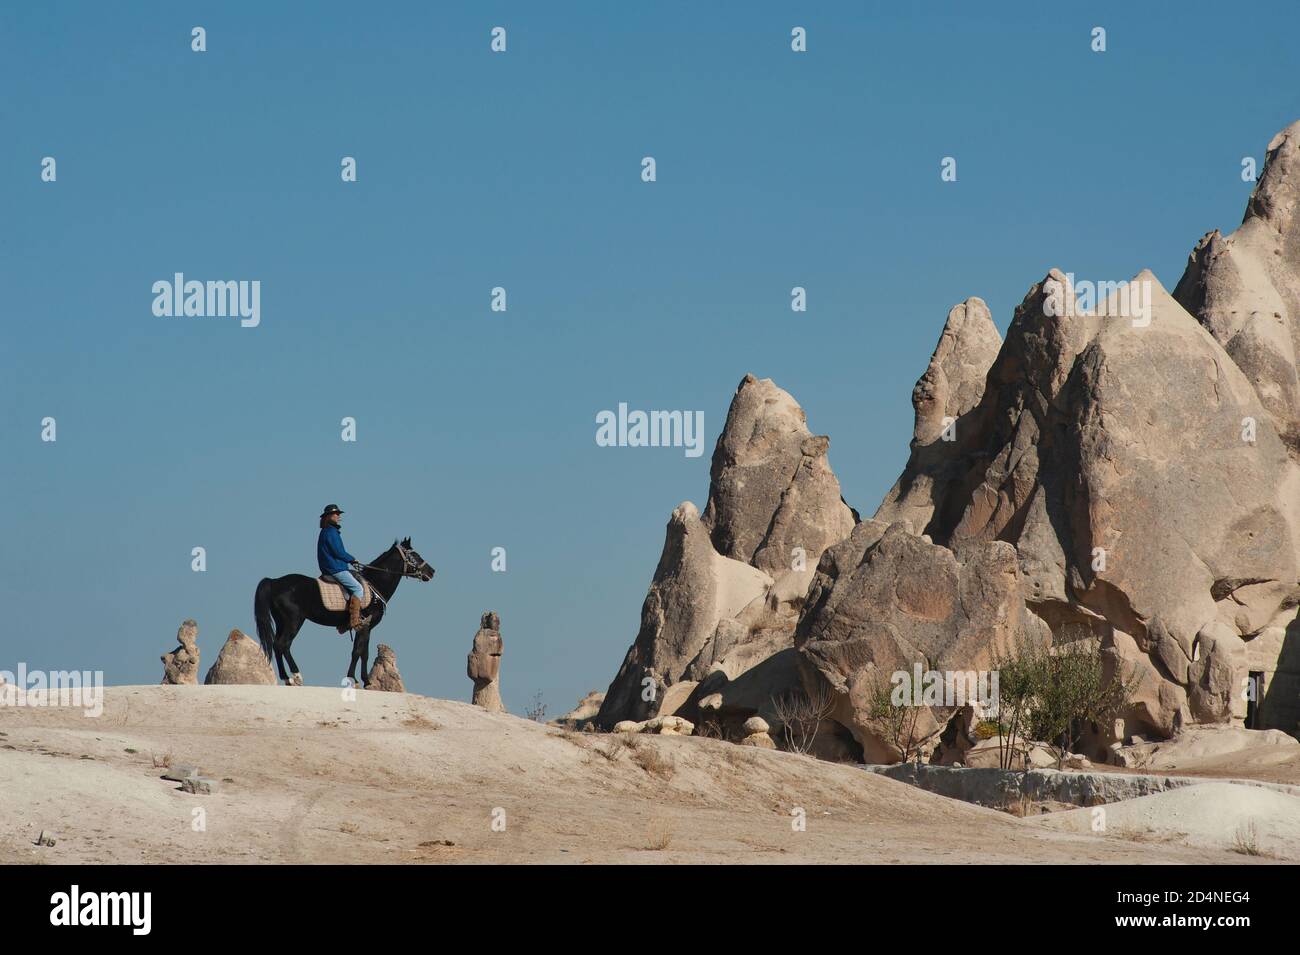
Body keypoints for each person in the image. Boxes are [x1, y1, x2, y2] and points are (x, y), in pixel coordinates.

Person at [318, 504, 364, 631]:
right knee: (358, 588)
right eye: (336, 514)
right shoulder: (330, 532)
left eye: (339, 514)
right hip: (335, 568)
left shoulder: (327, 531)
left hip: (332, 567)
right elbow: (338, 551)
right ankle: (354, 621)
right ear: (328, 516)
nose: (338, 516)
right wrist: (352, 559)